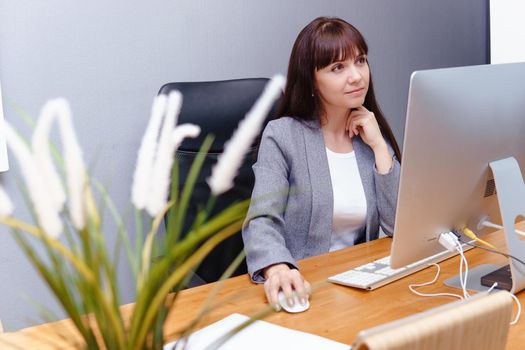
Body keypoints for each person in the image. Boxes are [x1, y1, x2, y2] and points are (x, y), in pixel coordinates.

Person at [242, 16, 401, 311]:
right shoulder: (283, 136)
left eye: (360, 61)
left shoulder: (367, 136)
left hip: (359, 289)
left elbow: (399, 227)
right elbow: (261, 221)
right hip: (304, 289)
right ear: (311, 80)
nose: (356, 76)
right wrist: (277, 268)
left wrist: (380, 147)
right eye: (337, 67)